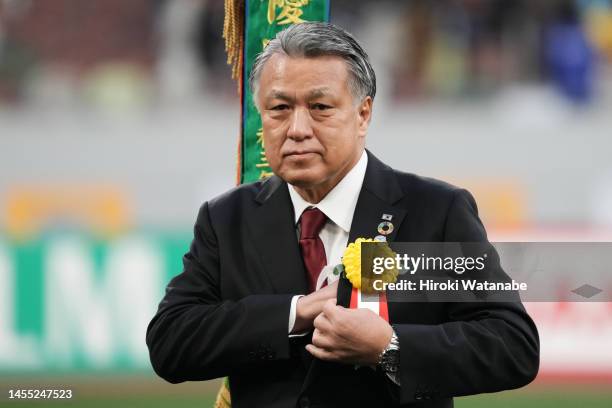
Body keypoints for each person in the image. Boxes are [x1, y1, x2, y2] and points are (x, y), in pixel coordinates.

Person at [146, 22, 539, 408]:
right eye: (279, 108)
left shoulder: (435, 211)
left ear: (363, 114)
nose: (297, 128)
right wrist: (295, 313)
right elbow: (170, 342)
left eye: (319, 107)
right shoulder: (227, 218)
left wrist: (389, 347)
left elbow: (512, 345)